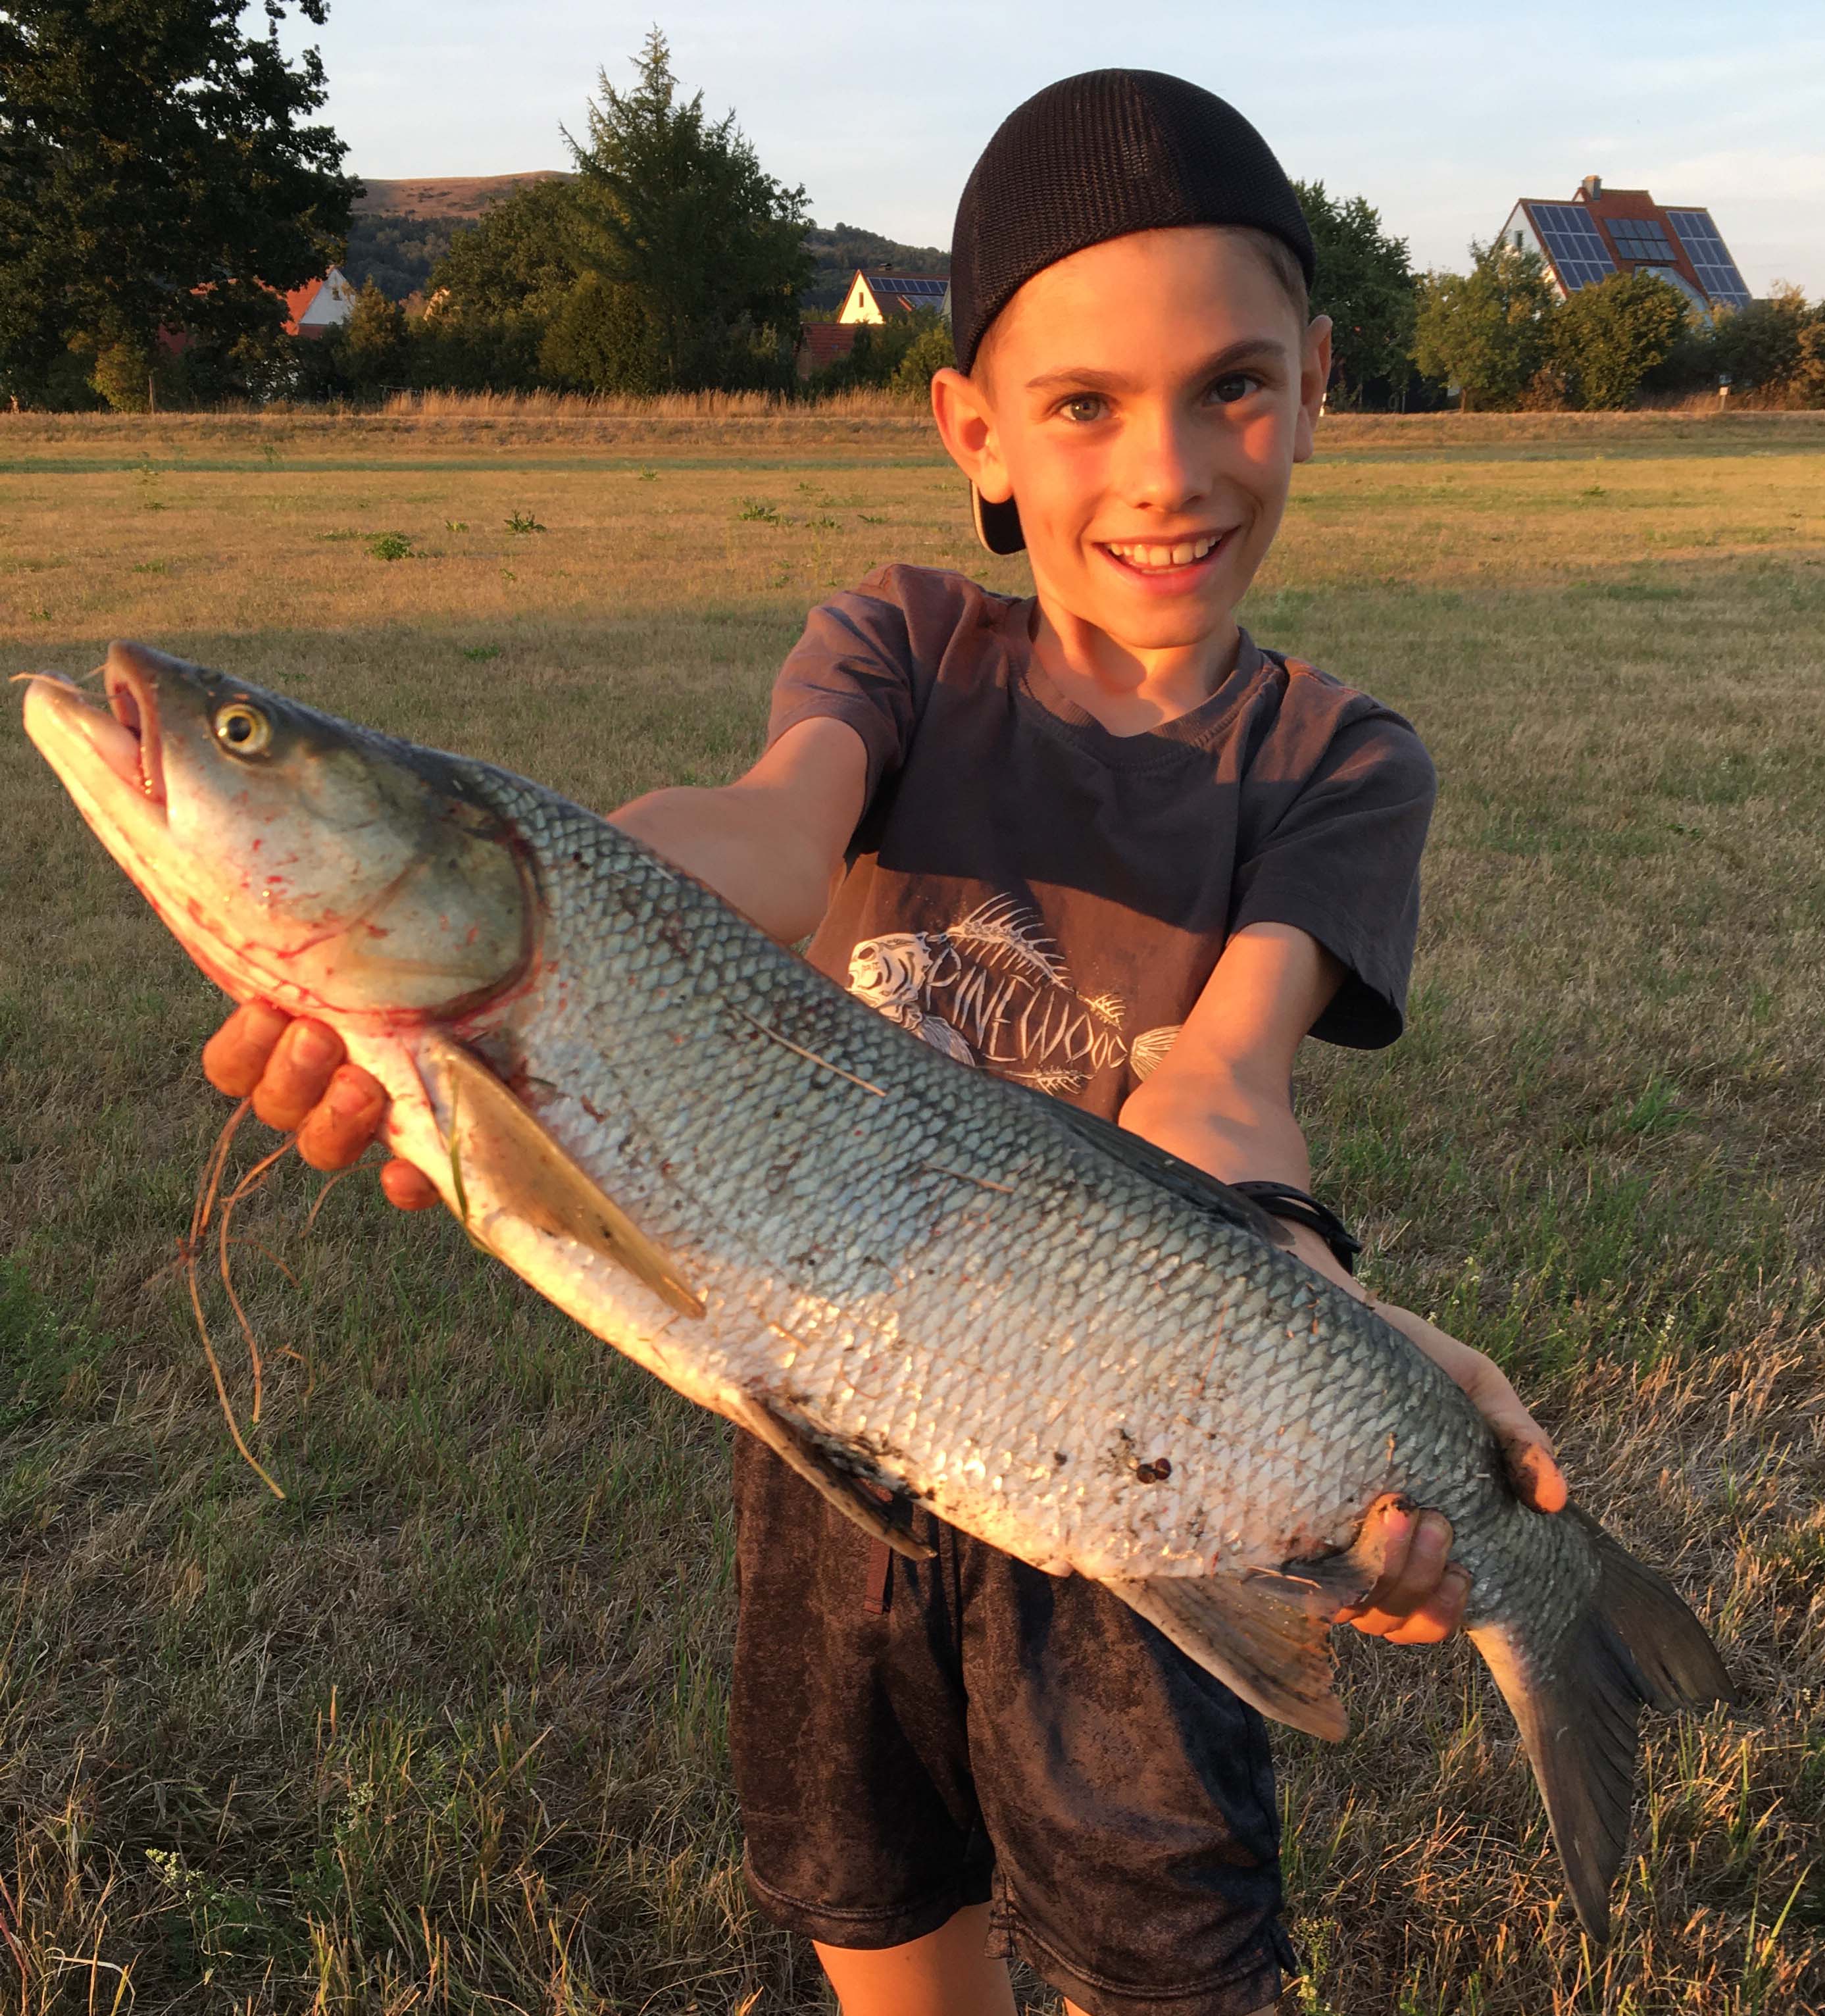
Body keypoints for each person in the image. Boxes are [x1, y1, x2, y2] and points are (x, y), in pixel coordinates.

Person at [203, 69, 1567, 2016]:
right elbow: (758, 841)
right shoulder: (907, 648)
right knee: (872, 1901)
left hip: (1150, 1437)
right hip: (833, 1420)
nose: (1168, 468)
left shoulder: (1340, 759)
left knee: (1168, 1957)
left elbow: (1218, 1081)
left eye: (1232, 388)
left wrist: (1331, 1340)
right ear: (977, 434)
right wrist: (512, 945)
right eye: (1086, 405)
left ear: (1319, 385)